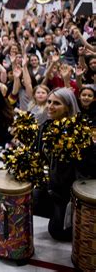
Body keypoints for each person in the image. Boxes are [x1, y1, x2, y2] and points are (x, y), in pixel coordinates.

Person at [33, 87, 96, 241]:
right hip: (52, 185)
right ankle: (55, 211)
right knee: (28, 201)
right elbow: (37, 155)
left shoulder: (80, 133)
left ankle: (71, 215)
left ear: (68, 107)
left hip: (70, 191)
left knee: (57, 233)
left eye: (56, 103)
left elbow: (90, 169)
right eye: (49, 102)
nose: (50, 106)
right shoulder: (45, 127)